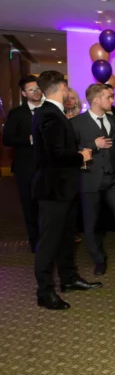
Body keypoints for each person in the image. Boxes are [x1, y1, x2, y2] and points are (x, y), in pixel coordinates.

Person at [31, 71, 100, 310]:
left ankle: (69, 279)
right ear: (62, 86)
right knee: (49, 242)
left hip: (64, 188)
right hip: (53, 189)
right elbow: (55, 154)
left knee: (66, 238)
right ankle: (45, 291)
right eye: (68, 86)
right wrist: (81, 155)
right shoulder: (49, 114)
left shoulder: (53, 113)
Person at [70, 84, 115, 275]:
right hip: (89, 180)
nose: (112, 100)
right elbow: (69, 152)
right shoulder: (76, 123)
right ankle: (99, 259)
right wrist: (92, 145)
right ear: (96, 100)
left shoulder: (112, 119)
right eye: (108, 97)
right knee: (91, 223)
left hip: (114, 179)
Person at [3, 76, 43, 252]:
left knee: (48, 205)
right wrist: (29, 139)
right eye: (31, 89)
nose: (36, 92)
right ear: (24, 93)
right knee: (29, 206)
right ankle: (36, 242)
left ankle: (50, 239)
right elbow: (7, 139)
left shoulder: (49, 110)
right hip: (25, 167)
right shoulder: (17, 113)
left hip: (48, 167)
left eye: (37, 88)